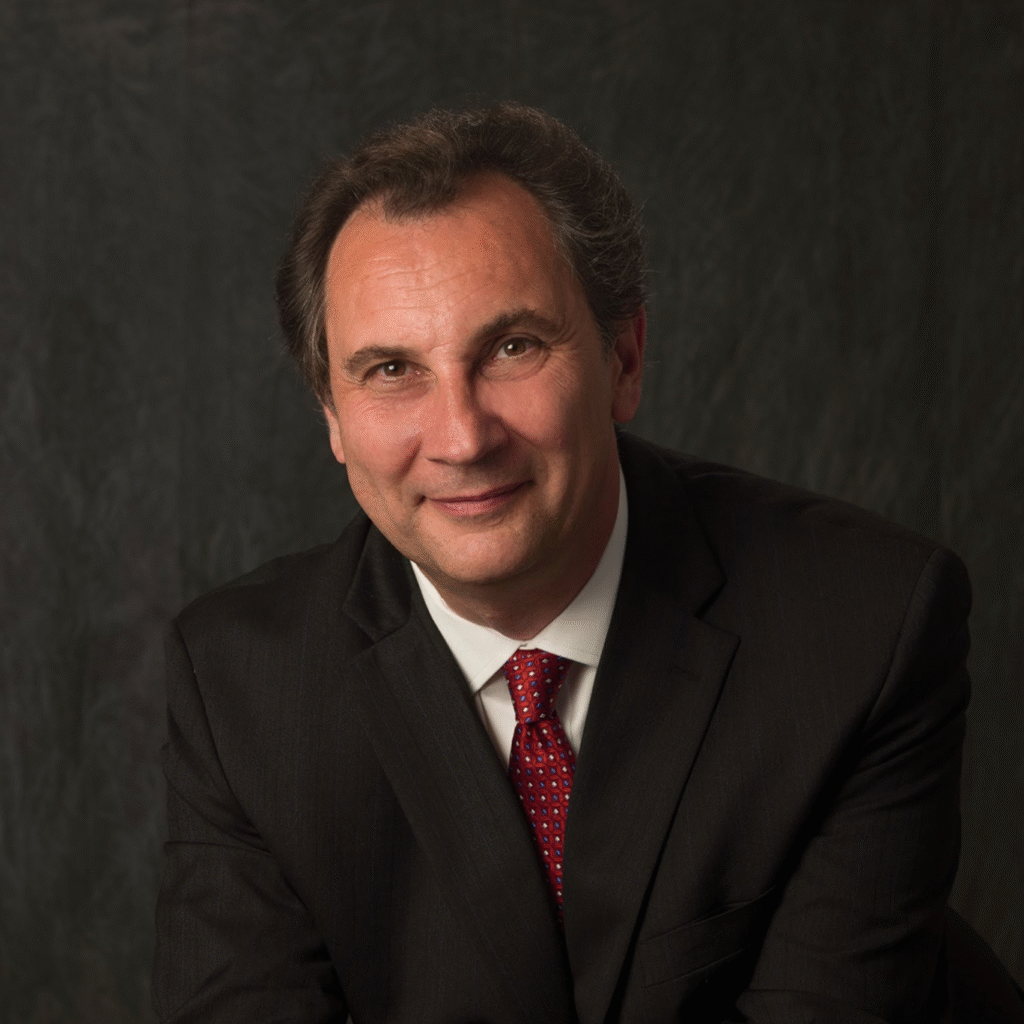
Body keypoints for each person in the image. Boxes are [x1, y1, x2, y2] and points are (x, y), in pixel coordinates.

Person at [153, 102, 973, 1023]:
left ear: (624, 359)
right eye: (391, 371)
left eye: (513, 348)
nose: (462, 438)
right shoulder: (240, 689)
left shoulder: (864, 628)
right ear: (332, 419)